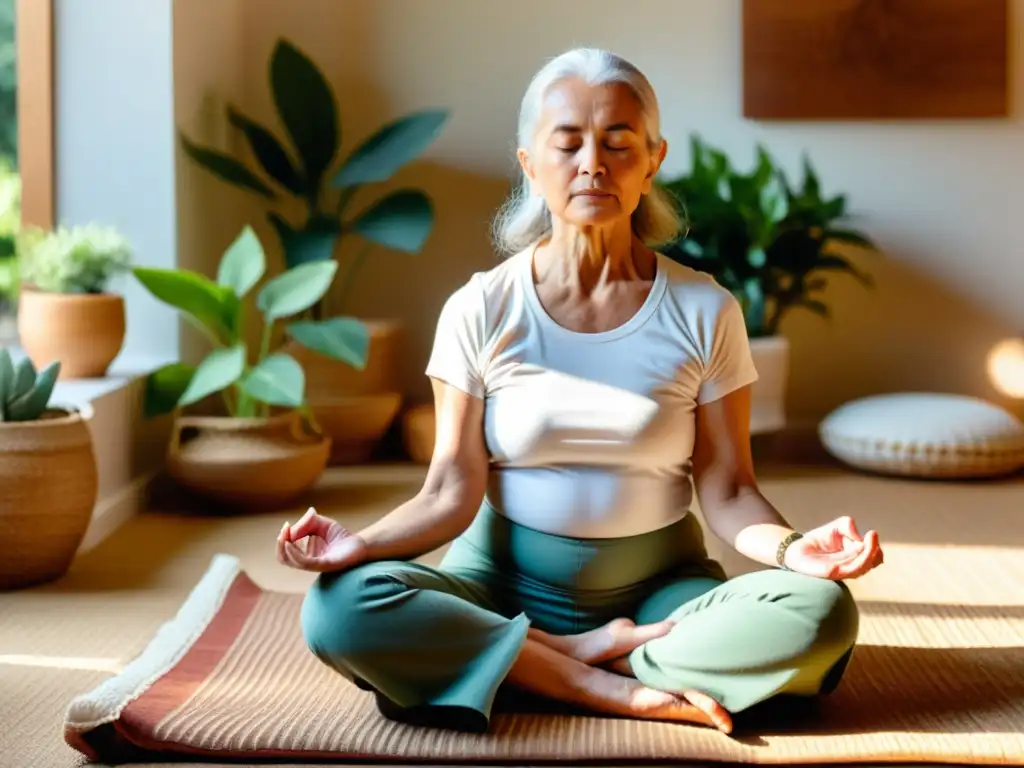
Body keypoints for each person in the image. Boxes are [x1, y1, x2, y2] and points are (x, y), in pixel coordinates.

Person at [276, 47, 884, 736]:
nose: (591, 162)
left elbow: (729, 486)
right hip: (497, 586)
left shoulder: (705, 310)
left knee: (821, 613)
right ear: (530, 163)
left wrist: (792, 551)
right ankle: (596, 680)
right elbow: (449, 489)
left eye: (618, 142)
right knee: (337, 609)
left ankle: (522, 665)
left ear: (652, 159)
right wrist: (360, 546)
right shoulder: (481, 308)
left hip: (662, 593)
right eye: (566, 143)